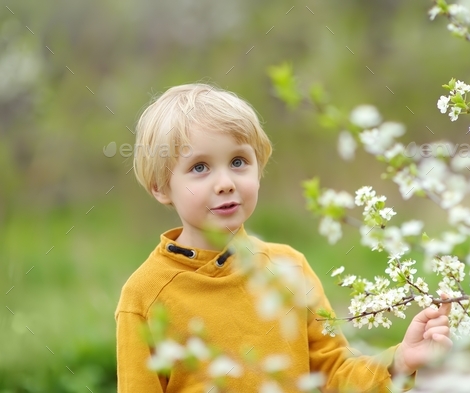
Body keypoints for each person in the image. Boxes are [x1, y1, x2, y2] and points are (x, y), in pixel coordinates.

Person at [115, 83, 452, 392]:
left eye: (238, 161)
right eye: (200, 167)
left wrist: (400, 361)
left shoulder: (289, 268)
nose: (225, 182)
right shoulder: (144, 297)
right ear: (160, 186)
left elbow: (334, 375)